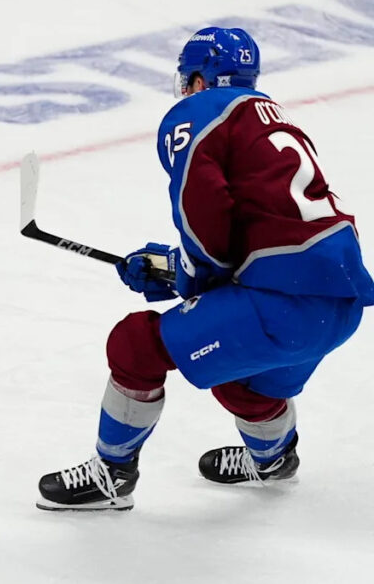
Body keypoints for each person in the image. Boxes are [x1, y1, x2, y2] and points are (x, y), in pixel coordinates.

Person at [36, 27, 374, 511]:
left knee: (137, 344)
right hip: (338, 305)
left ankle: (111, 476)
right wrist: (176, 267)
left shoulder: (199, 113)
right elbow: (264, 229)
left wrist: (187, 275)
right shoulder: (271, 117)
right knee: (242, 380)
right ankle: (273, 457)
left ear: (199, 79)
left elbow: (205, 209)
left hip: (284, 305)